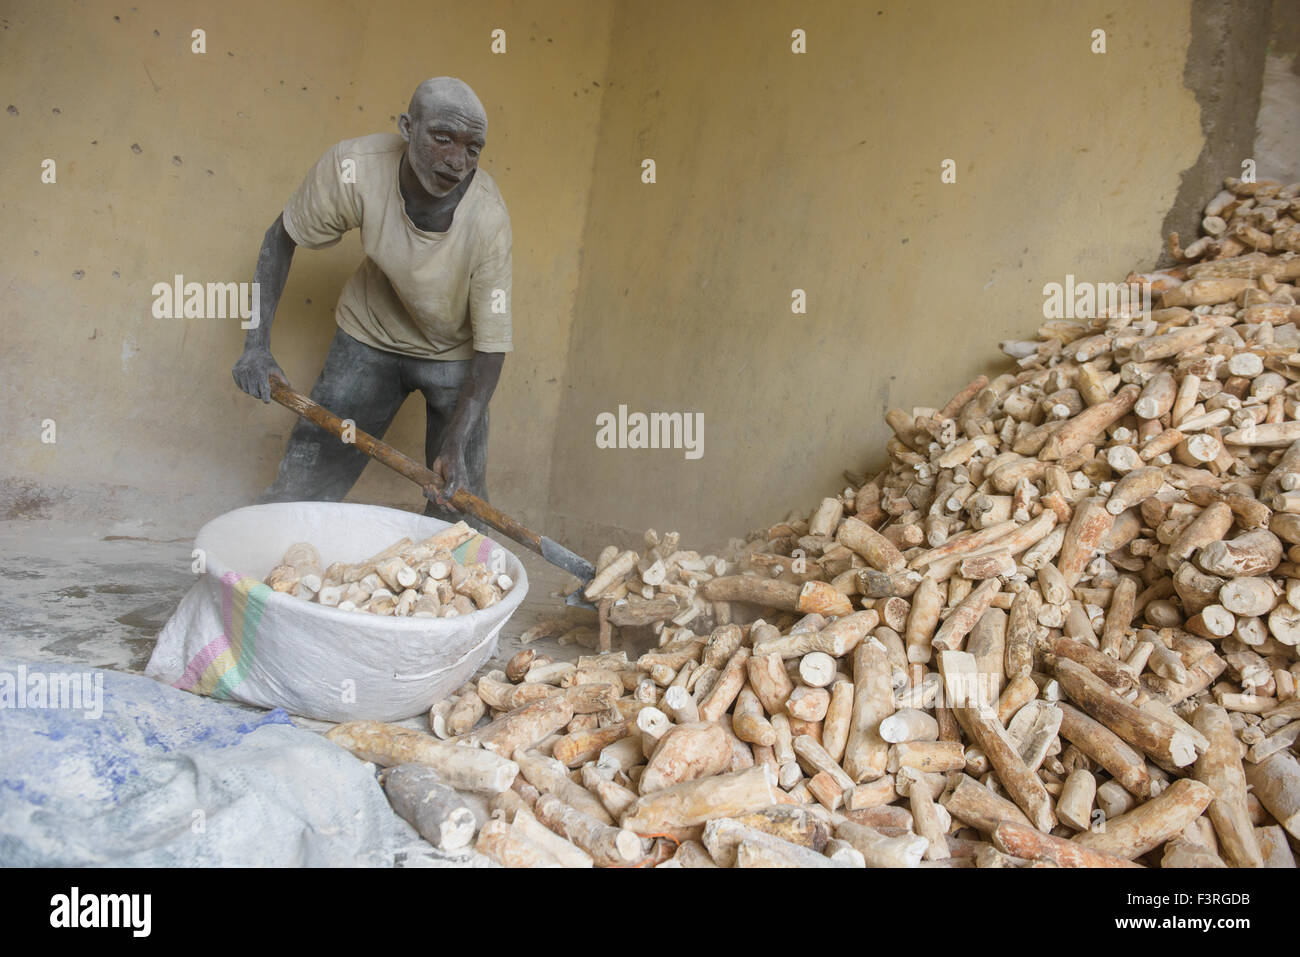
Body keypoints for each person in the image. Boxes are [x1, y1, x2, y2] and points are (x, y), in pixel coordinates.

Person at [232, 77, 510, 527]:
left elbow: (492, 345)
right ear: (407, 127)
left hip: (455, 356)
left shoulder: (488, 218)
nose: (457, 161)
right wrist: (255, 345)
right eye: (442, 138)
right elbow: (280, 238)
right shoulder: (355, 167)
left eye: (473, 148)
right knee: (298, 497)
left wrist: (456, 442)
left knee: (458, 510)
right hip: (369, 336)